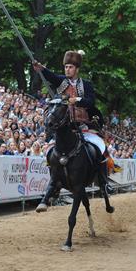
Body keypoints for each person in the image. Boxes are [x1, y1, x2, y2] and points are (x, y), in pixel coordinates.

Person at [33, 50, 111, 211]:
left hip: (83, 125)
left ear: (77, 69)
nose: (67, 69)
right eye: (66, 67)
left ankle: (104, 182)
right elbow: (50, 76)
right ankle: (54, 183)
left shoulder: (86, 85)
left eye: (70, 67)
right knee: (49, 150)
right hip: (65, 125)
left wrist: (78, 100)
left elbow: (91, 102)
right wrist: (41, 68)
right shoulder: (61, 81)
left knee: (101, 148)